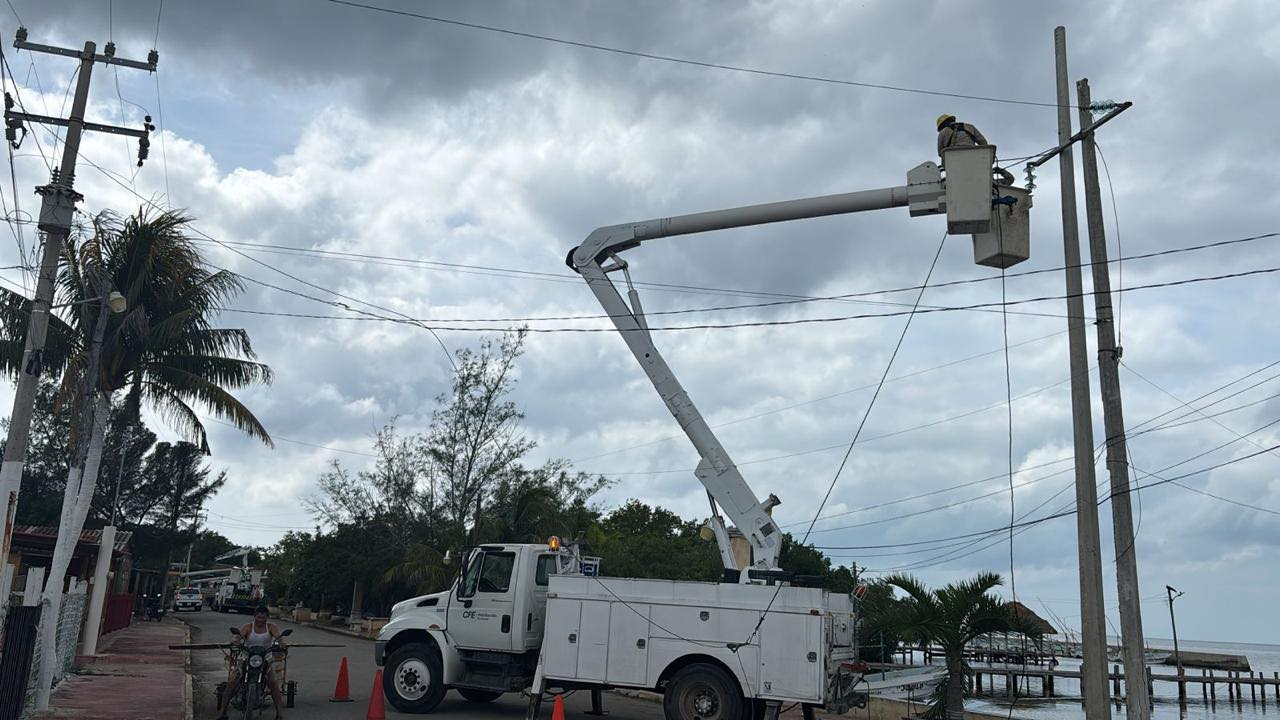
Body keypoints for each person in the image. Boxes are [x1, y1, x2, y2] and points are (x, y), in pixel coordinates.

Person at [217, 605, 287, 720]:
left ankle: (279, 714)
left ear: (267, 618)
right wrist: (236, 641)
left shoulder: (271, 627)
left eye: (263, 618)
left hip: (265, 659)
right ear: (255, 617)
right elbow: (238, 636)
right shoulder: (248, 627)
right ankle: (222, 712)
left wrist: (281, 643)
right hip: (247, 658)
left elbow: (278, 636)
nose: (261, 620)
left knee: (273, 684)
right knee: (232, 682)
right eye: (259, 617)